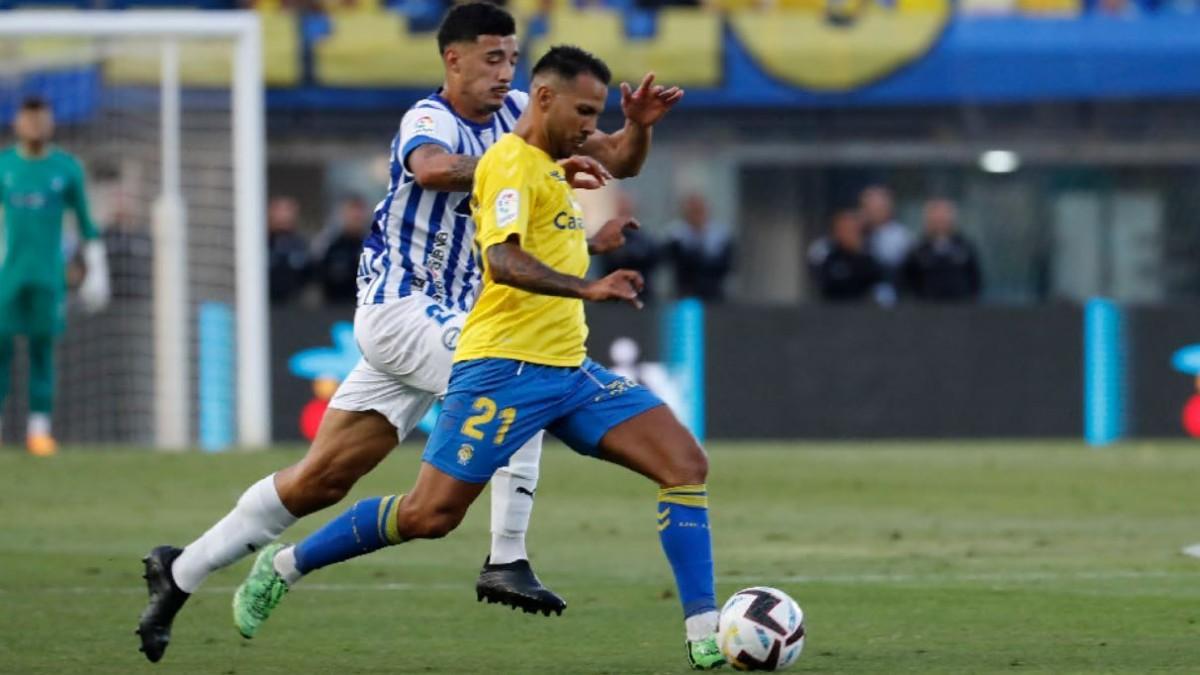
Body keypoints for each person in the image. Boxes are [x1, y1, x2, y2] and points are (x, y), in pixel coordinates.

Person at [136, 2, 683, 663]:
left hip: (456, 320)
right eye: (490, 58)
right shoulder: (429, 120)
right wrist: (522, 169)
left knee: (321, 479)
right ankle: (507, 556)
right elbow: (430, 169)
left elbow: (621, 160)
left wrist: (640, 129)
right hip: (401, 308)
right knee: (525, 371)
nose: (503, 72)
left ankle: (180, 571)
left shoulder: (524, 116)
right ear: (452, 60)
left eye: (511, 59)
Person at [0, 96, 109, 455]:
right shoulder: (5, 167)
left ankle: (39, 430)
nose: (35, 126)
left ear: (50, 124)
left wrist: (97, 271)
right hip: (7, 275)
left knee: (42, 350)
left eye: (41, 119)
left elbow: (86, 223)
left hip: (49, 276)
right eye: (29, 119)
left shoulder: (66, 169)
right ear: (18, 123)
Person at [901, 198, 982, 302]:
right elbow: (908, 281)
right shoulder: (917, 250)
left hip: (961, 309)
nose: (940, 219)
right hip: (926, 311)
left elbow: (975, 280)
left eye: (944, 215)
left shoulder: (965, 247)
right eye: (936, 215)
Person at [664, 192, 734, 301]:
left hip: (714, 292)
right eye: (693, 211)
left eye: (700, 210)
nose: (697, 215)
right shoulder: (676, 235)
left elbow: (727, 265)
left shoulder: (720, 236)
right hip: (685, 292)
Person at [811, 209, 884, 303]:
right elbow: (827, 286)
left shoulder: (869, 260)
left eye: (853, 229)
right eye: (845, 229)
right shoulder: (828, 257)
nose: (849, 234)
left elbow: (876, 285)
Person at [599, 190, 659, 301]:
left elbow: (651, 259)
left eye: (627, 209)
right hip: (614, 297)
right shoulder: (607, 235)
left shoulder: (644, 237)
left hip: (642, 295)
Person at [315, 194, 369, 305]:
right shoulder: (330, 244)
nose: (356, 216)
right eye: (352, 212)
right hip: (334, 306)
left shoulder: (373, 245)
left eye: (359, 212)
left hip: (364, 307)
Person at [267, 195, 311, 304]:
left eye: (288, 210)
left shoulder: (301, 244)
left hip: (294, 306)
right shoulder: (259, 244)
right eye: (280, 210)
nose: (284, 215)